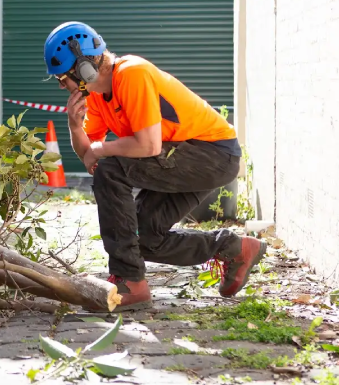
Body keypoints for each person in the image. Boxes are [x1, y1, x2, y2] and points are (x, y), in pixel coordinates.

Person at [43, 21, 266, 311]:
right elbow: (89, 156)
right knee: (144, 239)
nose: (63, 86)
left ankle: (130, 282)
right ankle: (233, 247)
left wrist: (101, 150)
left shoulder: (132, 73)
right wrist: (75, 127)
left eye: (63, 79)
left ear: (83, 67)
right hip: (184, 158)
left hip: (212, 154)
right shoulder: (97, 97)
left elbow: (148, 146)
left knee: (111, 170)